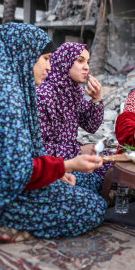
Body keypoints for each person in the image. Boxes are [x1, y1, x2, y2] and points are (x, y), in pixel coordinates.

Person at [0, 23, 107, 245]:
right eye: (44, 58)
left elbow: (21, 157)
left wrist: (57, 172)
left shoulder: (8, 88)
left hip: (4, 183)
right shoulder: (4, 100)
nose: (49, 67)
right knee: (94, 207)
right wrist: (67, 165)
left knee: (91, 185)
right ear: (23, 55)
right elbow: (15, 173)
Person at [36, 42, 112, 179]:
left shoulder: (73, 91)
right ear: (65, 62)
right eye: (80, 61)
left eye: (87, 62)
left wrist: (96, 99)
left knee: (112, 163)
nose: (86, 67)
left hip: (72, 155)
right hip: (55, 165)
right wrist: (78, 151)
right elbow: (39, 148)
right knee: (102, 177)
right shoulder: (44, 94)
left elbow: (91, 126)